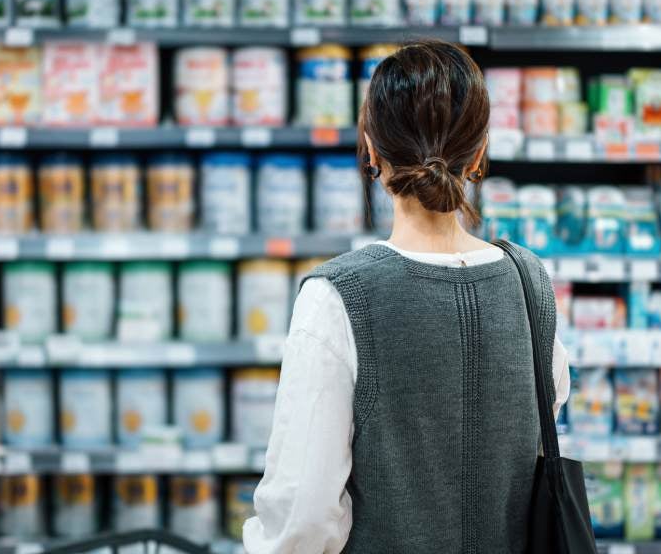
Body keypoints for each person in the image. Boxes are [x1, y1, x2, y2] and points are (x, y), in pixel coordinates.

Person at [242, 40, 571, 553]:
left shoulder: (338, 298)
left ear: (372, 151)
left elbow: (302, 519)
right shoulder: (530, 282)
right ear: (479, 153)